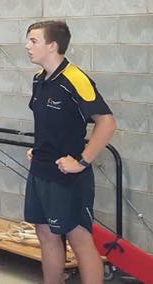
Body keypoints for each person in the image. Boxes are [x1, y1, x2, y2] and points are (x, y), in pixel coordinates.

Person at [24, 20, 116, 284]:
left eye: (34, 41)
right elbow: (52, 123)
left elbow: (106, 122)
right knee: (46, 234)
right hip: (41, 169)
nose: (27, 46)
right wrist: (39, 149)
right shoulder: (39, 80)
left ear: (52, 46)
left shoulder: (75, 79)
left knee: (79, 240)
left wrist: (82, 161)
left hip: (68, 176)